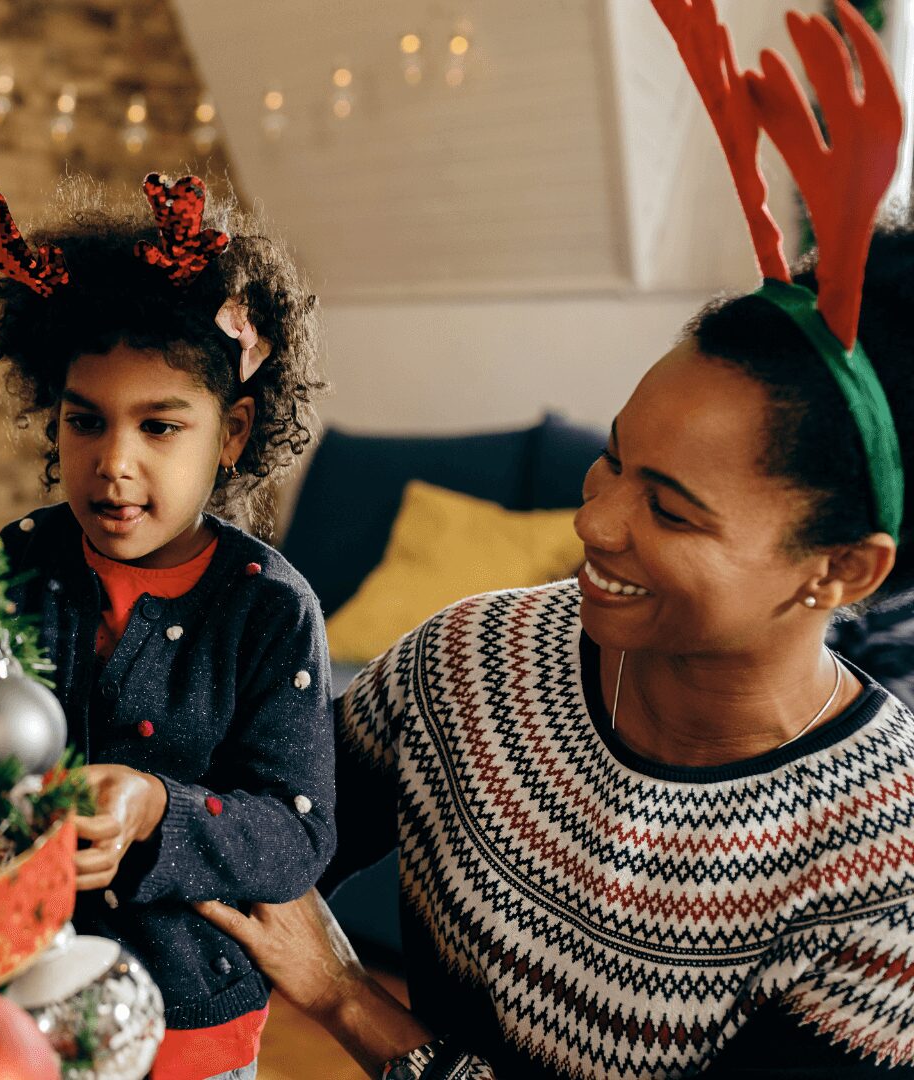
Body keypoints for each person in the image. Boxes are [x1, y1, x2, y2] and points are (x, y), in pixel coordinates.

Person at [198, 4, 914, 1077]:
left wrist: (350, 1003)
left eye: (671, 509)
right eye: (614, 458)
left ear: (842, 569)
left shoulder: (885, 880)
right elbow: (248, 833)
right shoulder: (468, 663)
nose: (596, 520)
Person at [0, 173, 334, 1080]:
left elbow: (296, 833)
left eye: (160, 427)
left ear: (232, 432)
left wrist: (159, 807)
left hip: (189, 1030)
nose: (113, 462)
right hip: (8, 996)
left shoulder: (271, 608)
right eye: (85, 421)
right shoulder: (17, 560)